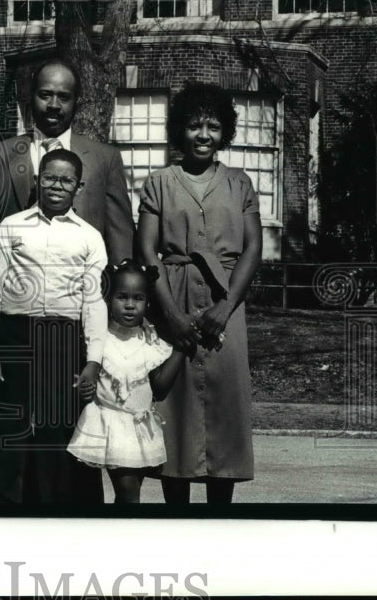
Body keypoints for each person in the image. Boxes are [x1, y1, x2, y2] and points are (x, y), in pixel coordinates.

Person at [136, 81, 262, 505]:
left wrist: (226, 307)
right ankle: (176, 516)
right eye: (193, 125)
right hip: (172, 295)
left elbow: (252, 249)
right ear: (179, 131)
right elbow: (146, 250)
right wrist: (168, 313)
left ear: (224, 132)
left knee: (224, 408)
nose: (203, 135)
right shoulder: (159, 182)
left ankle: (219, 518)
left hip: (228, 299)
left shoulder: (240, 183)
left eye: (212, 126)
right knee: (176, 409)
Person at [0, 148, 107, 504]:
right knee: (9, 428)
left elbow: (94, 303)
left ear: (78, 187)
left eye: (66, 180)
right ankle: (1, 511)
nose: (56, 186)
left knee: (58, 428)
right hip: (13, 335)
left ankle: (54, 512)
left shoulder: (89, 237)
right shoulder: (12, 226)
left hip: (64, 339)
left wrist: (93, 362)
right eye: (49, 177)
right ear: (38, 180)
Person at [0, 60, 135, 295]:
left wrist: (121, 302)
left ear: (76, 102)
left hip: (82, 302)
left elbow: (120, 238)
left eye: (64, 97)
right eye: (45, 95)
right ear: (31, 97)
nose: (54, 105)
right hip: (15, 303)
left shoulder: (104, 158)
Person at [67, 261, 186, 504]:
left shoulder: (149, 341)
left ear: (148, 302)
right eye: (122, 297)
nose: (130, 305)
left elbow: (160, 389)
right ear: (109, 299)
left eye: (138, 298)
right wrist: (83, 387)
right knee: (129, 491)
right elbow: (82, 377)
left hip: (139, 427)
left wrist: (181, 350)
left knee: (129, 492)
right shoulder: (99, 340)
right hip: (108, 423)